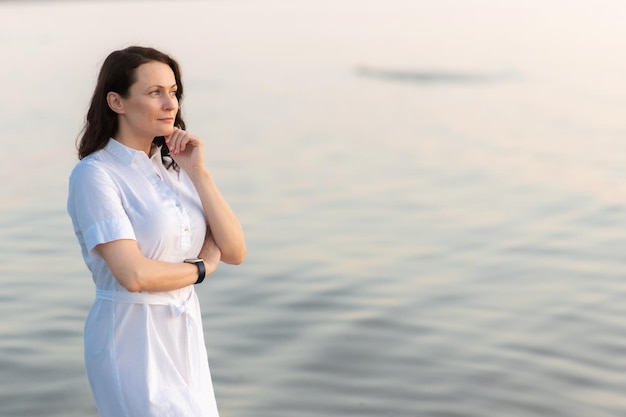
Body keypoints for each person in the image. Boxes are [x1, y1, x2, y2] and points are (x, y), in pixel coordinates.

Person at [67, 46, 246, 417]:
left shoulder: (175, 168)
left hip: (185, 332)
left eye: (173, 91)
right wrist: (202, 268)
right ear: (116, 101)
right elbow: (133, 275)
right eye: (155, 93)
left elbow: (235, 250)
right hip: (134, 339)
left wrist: (199, 172)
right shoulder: (95, 175)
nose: (171, 104)